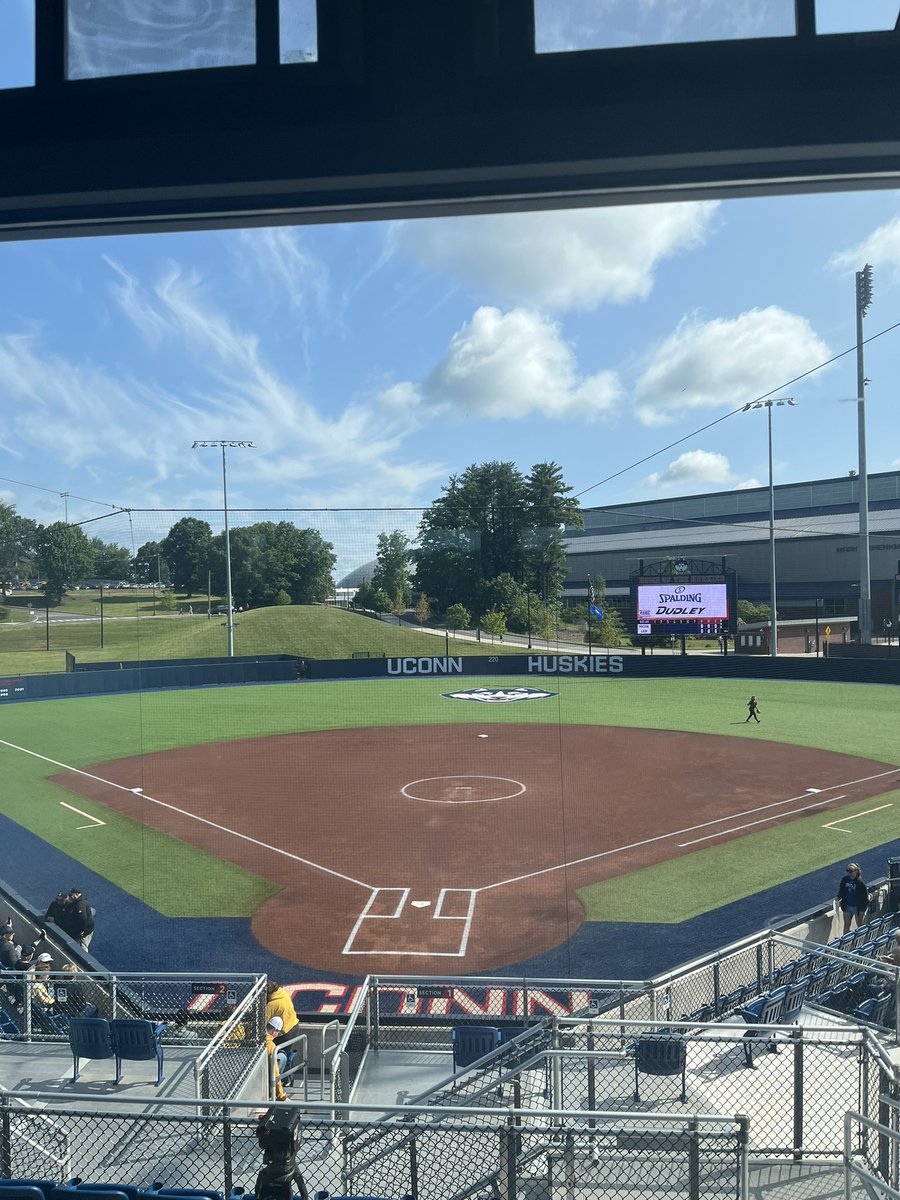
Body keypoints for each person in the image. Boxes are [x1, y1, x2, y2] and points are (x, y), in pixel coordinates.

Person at [835, 862, 869, 933]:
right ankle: (846, 942)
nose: (849, 873)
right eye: (847, 871)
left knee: (860, 926)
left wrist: (862, 911)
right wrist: (838, 897)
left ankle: (861, 940)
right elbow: (841, 890)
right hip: (847, 906)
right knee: (846, 925)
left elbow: (866, 898)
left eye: (851, 871)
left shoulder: (860, 883)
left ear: (856, 871)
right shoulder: (845, 880)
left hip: (857, 907)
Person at [265, 1016, 287, 1101]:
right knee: (282, 1057)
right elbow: (275, 1072)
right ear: (274, 1031)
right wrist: (281, 1095)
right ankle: (271, 1091)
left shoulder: (256, 1036)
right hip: (266, 1076)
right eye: (278, 1032)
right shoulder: (271, 1045)